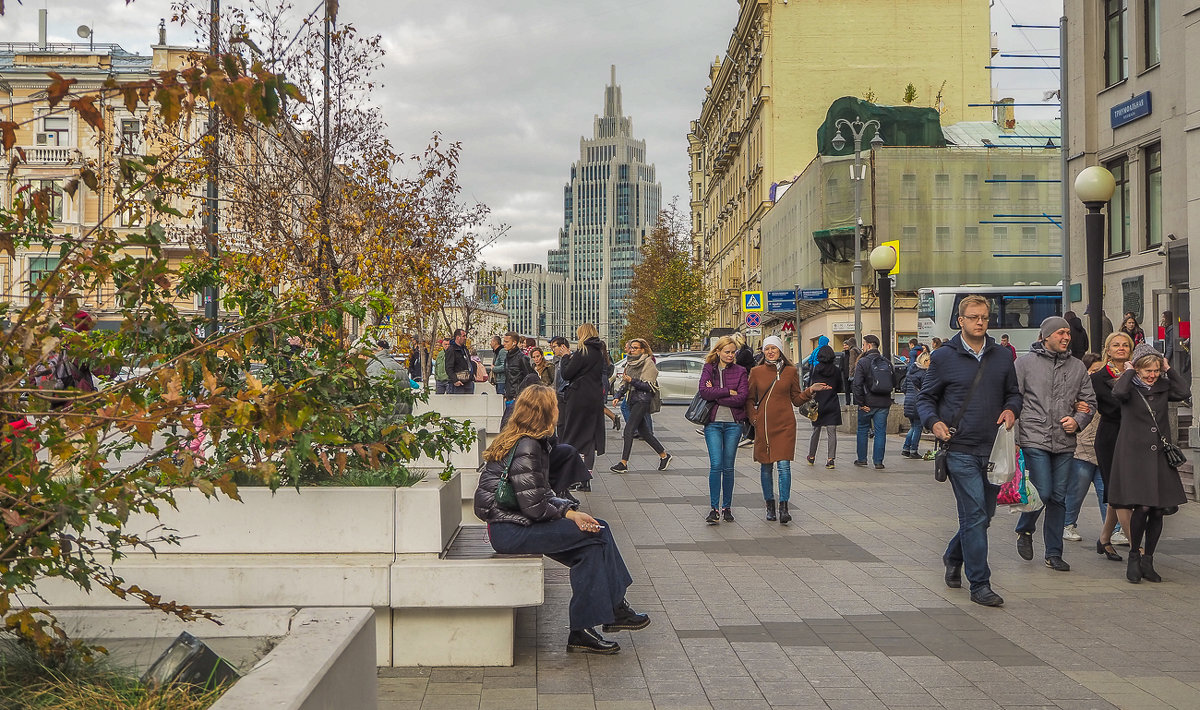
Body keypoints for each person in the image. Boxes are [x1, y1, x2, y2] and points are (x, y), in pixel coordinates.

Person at [473, 385, 649, 654]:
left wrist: (569, 511)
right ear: (545, 411)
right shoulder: (528, 445)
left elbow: (539, 495)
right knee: (599, 531)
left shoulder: (529, 439)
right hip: (509, 530)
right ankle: (616, 607)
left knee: (589, 550)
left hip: (513, 524)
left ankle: (582, 631)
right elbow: (534, 507)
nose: (559, 409)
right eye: (555, 405)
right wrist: (570, 513)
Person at [916, 294, 1021, 607]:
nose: (979, 322)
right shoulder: (944, 357)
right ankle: (980, 584)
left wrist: (1011, 410)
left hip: (993, 450)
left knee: (984, 516)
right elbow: (925, 399)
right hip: (959, 448)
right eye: (973, 317)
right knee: (975, 515)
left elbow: (1014, 394)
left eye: (984, 317)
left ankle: (953, 554)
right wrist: (933, 422)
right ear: (960, 321)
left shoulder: (1002, 356)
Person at [1012, 317, 1096, 573]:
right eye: (1060, 333)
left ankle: (1053, 553)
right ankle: (1025, 528)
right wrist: (1015, 438)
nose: (1066, 337)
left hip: (1064, 440)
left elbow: (1089, 401)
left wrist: (1078, 420)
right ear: (1046, 336)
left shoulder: (1078, 367)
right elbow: (1013, 399)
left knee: (1059, 498)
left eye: (1068, 333)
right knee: (1044, 492)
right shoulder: (1024, 363)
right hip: (1033, 436)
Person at [1108, 343, 1190, 583]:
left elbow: (1184, 392)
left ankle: (1149, 560)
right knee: (1142, 507)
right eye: (1148, 371)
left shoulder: (1164, 386)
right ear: (1139, 370)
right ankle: (1134, 555)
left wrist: (1168, 368)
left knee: (1157, 510)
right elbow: (1118, 394)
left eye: (1156, 371)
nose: (1153, 375)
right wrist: (1130, 370)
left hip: (1159, 456)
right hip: (1134, 456)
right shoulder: (1127, 387)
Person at [747, 335, 828, 525]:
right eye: (767, 349)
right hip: (764, 426)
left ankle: (784, 507)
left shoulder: (790, 371)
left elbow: (796, 399)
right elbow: (750, 399)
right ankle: (770, 505)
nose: (770, 352)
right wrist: (754, 418)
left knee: (784, 466)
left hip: (785, 425)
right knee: (766, 467)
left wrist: (809, 391)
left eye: (774, 348)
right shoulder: (756, 372)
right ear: (763, 351)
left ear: (780, 350)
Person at [1092, 332, 1135, 554]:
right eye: (1116, 345)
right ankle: (1137, 546)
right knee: (1119, 493)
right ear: (1107, 350)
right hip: (1110, 436)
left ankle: (1104, 539)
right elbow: (1116, 406)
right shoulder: (1098, 378)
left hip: (1134, 438)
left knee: (1116, 493)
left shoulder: (1137, 374)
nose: (1121, 348)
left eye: (1125, 345)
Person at [697, 336, 748, 523]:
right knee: (716, 465)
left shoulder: (741, 371)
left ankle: (726, 507)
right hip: (713, 424)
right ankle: (713, 508)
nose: (730, 355)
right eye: (727, 351)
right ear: (717, 351)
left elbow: (742, 398)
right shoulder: (708, 369)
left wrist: (716, 394)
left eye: (733, 352)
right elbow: (704, 392)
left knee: (728, 467)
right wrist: (727, 391)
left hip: (734, 424)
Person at [610, 338, 671, 473]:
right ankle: (664, 456)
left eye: (635, 348)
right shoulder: (630, 363)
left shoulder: (648, 364)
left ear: (643, 349)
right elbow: (625, 383)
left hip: (643, 400)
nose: (632, 350)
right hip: (632, 400)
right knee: (645, 432)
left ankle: (623, 463)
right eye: (631, 347)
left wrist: (632, 380)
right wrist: (617, 396)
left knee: (629, 430)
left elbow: (649, 386)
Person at [1064, 353, 1107, 545]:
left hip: (1103, 449)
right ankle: (1067, 524)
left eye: (1100, 371)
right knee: (1076, 491)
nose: (1096, 375)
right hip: (1081, 449)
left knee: (1106, 491)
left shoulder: (1108, 390)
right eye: (1093, 371)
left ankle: (1113, 528)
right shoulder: (1077, 391)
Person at [558, 324, 607, 474]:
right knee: (589, 436)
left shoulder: (583, 351)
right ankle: (587, 474)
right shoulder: (599, 352)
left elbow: (566, 374)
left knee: (573, 434)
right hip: (595, 398)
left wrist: (565, 356)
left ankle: (574, 473)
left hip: (578, 398)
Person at [852, 334, 893, 469]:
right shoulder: (887, 362)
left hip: (867, 403)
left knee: (863, 429)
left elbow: (857, 384)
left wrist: (861, 403)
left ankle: (862, 459)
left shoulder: (863, 362)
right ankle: (878, 461)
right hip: (883, 403)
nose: (863, 347)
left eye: (863, 345)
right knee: (880, 432)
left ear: (869, 345)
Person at [807, 344, 842, 470]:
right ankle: (830, 459)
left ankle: (811, 456)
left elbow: (810, 385)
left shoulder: (816, 369)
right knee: (831, 432)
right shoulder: (836, 370)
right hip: (832, 403)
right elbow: (839, 387)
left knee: (816, 430)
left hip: (818, 403)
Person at [902, 351, 930, 459]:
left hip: (908, 402)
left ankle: (906, 448)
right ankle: (913, 450)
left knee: (913, 427)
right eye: (929, 361)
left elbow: (904, 387)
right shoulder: (924, 373)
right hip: (918, 403)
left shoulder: (910, 372)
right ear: (925, 361)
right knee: (918, 427)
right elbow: (927, 389)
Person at [445, 329, 474, 394]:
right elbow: (448, 368)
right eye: (464, 336)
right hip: (458, 384)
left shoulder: (465, 349)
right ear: (458, 337)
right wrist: (455, 380)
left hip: (468, 382)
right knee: (458, 404)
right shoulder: (451, 350)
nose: (465, 338)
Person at [841, 337, 860, 406]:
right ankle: (849, 402)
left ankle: (853, 403)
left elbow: (851, 364)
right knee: (849, 389)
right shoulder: (857, 351)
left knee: (853, 389)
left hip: (851, 374)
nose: (845, 347)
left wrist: (851, 374)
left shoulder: (852, 351)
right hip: (848, 373)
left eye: (846, 345)